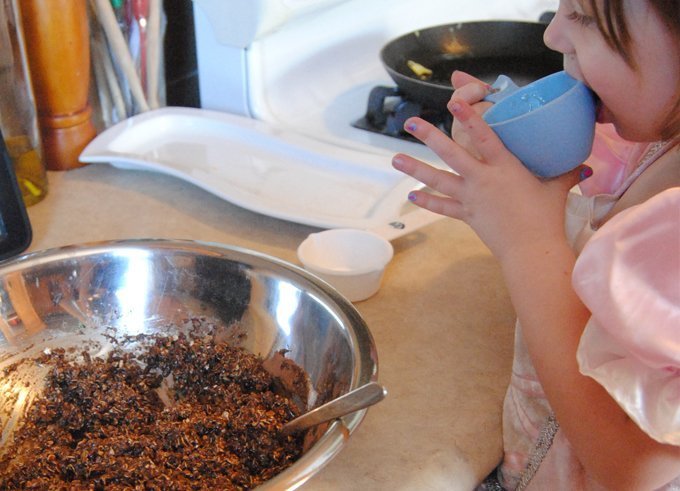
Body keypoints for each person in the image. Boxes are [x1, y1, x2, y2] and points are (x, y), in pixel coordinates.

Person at [391, 0, 680, 489]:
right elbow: (596, 279)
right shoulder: (657, 136)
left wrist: (526, 241)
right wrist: (519, 175)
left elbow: (637, 469)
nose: (552, 36)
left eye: (585, 16)